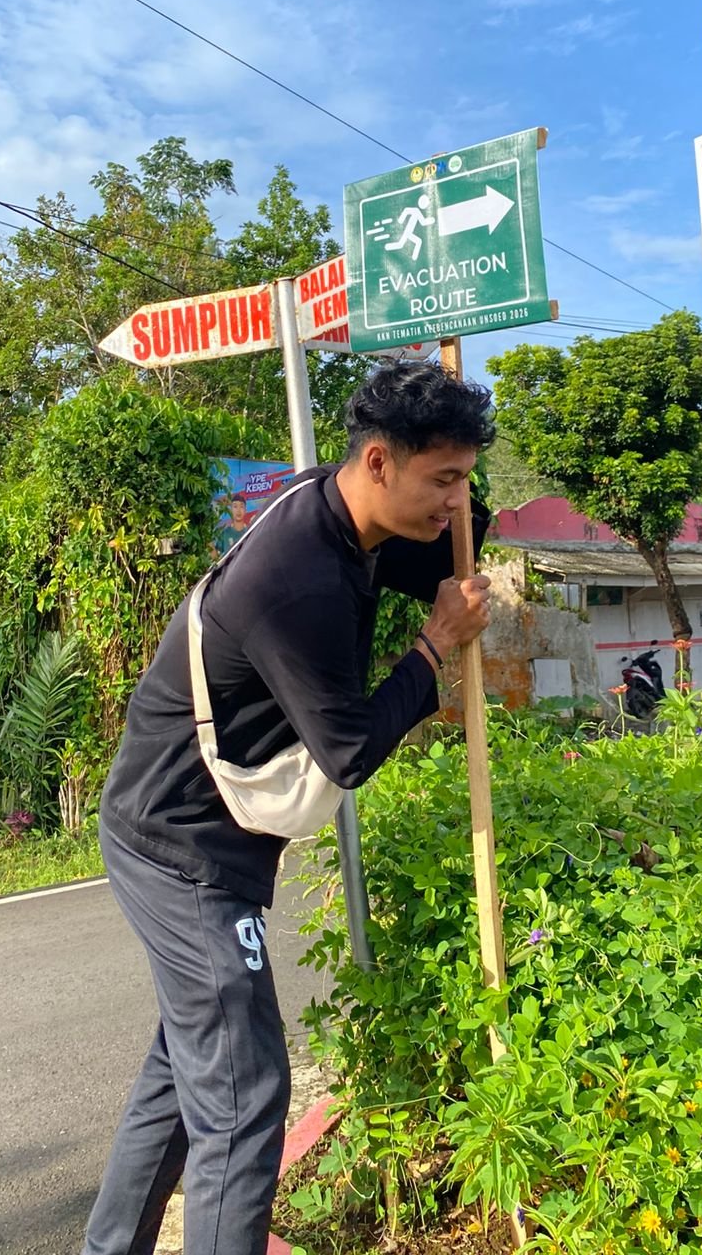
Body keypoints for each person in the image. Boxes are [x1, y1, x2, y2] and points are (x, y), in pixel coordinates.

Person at [82, 359, 495, 1255]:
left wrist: (461, 501)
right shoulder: (295, 576)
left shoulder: (341, 511)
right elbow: (347, 751)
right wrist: (433, 646)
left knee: (186, 1070)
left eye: (465, 479)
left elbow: (445, 545)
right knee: (244, 1093)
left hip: (183, 826)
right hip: (180, 846)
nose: (455, 502)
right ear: (378, 461)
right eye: (443, 480)